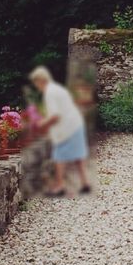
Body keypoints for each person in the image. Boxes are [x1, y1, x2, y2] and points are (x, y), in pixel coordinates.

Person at [29, 66, 91, 196]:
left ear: (40, 80)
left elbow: (55, 116)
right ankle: (85, 184)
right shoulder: (57, 89)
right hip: (76, 124)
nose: (36, 86)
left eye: (36, 83)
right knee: (78, 155)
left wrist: (41, 124)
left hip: (67, 128)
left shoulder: (49, 92)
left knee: (59, 156)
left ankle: (60, 187)